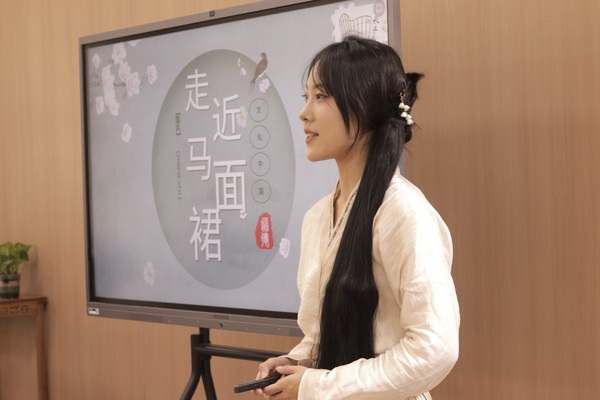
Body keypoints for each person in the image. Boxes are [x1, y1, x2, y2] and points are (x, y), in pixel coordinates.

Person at [254, 35, 460, 400]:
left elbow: (434, 350)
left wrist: (317, 385)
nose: (304, 113)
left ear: (363, 107)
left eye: (321, 96)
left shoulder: (404, 213)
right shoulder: (318, 217)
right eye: (306, 96)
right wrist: (295, 362)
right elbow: (324, 333)